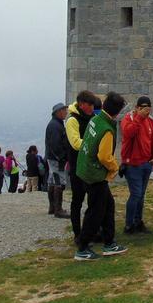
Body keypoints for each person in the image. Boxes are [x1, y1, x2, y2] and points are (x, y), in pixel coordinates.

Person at [74, 92, 128, 261]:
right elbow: (104, 156)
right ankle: (82, 248)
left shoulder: (95, 119)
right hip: (95, 175)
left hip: (84, 170)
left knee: (108, 206)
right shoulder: (107, 128)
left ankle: (109, 242)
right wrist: (115, 167)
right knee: (95, 212)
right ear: (117, 112)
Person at [120, 95, 153, 234]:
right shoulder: (128, 119)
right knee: (136, 194)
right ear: (137, 108)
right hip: (132, 164)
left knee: (141, 195)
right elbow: (128, 133)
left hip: (146, 163)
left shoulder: (150, 121)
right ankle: (129, 225)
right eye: (143, 108)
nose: (146, 111)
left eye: (148, 108)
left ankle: (138, 222)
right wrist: (138, 118)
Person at [64, 91, 98, 240]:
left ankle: (90, 231)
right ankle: (78, 234)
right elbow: (75, 143)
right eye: (90, 105)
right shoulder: (72, 120)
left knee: (94, 200)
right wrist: (94, 146)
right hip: (77, 166)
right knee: (77, 201)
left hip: (90, 165)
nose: (92, 108)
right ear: (82, 104)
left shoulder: (92, 117)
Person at [44, 103, 70, 218]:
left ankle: (52, 207)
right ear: (58, 112)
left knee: (52, 181)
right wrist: (62, 157)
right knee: (59, 182)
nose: (66, 112)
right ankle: (58, 209)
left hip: (52, 157)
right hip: (56, 159)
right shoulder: (55, 126)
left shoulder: (55, 124)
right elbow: (55, 144)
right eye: (64, 110)